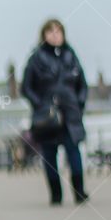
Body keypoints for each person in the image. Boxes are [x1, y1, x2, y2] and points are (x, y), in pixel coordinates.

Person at [21, 19, 89, 205]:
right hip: (47, 117)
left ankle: (79, 191)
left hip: (70, 114)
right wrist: (40, 105)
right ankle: (56, 194)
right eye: (50, 32)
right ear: (43, 36)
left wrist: (79, 103)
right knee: (49, 156)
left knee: (74, 152)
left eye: (58, 32)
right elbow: (26, 87)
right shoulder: (36, 59)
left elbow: (82, 84)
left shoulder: (71, 56)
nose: (55, 35)